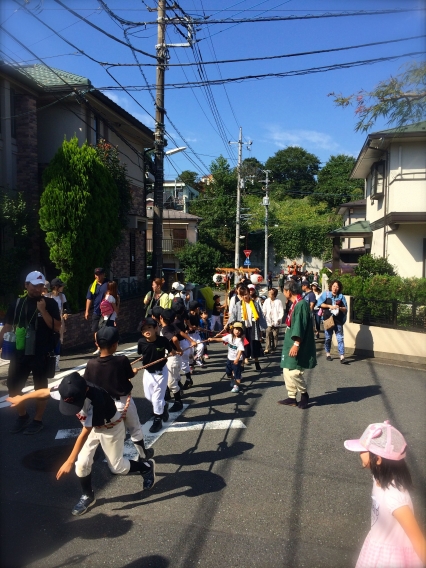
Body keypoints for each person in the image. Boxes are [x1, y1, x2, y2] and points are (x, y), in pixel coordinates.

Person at [7, 372, 156, 516]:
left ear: (85, 390)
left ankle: (146, 467)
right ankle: (88, 496)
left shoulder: (96, 398)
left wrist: (69, 460)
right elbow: (44, 391)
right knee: (82, 464)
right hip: (93, 427)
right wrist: (22, 398)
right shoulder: (67, 388)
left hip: (110, 428)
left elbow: (86, 431)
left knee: (117, 467)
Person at [344, 420, 426, 567]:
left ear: (379, 460)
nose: (360, 453)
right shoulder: (378, 477)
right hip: (377, 544)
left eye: (364, 450)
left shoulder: (394, 496)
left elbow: (418, 541)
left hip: (391, 559)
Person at [0, 271, 61, 434]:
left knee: (40, 387)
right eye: (34, 285)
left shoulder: (50, 303)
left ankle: (37, 420)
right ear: (26, 285)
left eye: (41, 285)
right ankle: (23, 416)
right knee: (13, 385)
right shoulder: (17, 303)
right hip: (19, 352)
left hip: (41, 352)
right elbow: (7, 326)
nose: (38, 289)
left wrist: (43, 311)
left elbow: (56, 327)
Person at [84, 326, 154, 461]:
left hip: (104, 405)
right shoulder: (121, 360)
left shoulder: (91, 364)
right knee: (135, 427)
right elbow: (129, 375)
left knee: (108, 432)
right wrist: (133, 372)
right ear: (116, 344)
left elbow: (88, 383)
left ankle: (113, 459)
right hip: (122, 402)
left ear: (97, 344)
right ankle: (143, 454)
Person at [278, 279, 316, 410]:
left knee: (294, 371)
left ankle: (304, 394)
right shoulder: (295, 303)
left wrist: (296, 344)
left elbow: (300, 326)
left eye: (284, 290)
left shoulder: (301, 305)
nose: (283, 292)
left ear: (288, 291)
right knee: (286, 369)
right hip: (291, 340)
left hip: (297, 341)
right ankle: (291, 397)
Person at [137, 317, 177, 433]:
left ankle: (158, 420)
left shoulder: (163, 340)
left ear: (156, 328)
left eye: (149, 327)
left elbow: (170, 350)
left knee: (156, 399)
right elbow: (141, 353)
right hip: (148, 372)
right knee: (149, 396)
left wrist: (173, 352)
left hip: (160, 372)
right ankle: (164, 406)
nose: (147, 331)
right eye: (144, 330)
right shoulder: (141, 342)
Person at [228, 285, 267, 371]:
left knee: (254, 345)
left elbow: (261, 316)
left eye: (246, 294)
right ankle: (242, 364)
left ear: (249, 294)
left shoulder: (255, 304)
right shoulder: (238, 304)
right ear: (241, 296)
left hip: (253, 327)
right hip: (243, 328)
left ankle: (256, 362)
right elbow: (233, 315)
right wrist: (228, 324)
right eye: (243, 295)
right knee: (243, 345)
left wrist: (262, 328)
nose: (245, 296)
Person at [315, 279, 348, 363]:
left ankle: (342, 356)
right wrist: (330, 306)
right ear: (331, 286)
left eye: (337, 287)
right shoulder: (326, 294)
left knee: (340, 338)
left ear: (339, 288)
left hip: (338, 320)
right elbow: (319, 304)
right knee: (328, 338)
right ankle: (328, 353)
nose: (335, 288)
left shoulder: (341, 297)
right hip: (328, 319)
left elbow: (345, 309)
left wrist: (339, 307)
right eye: (334, 286)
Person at [209, 322, 245, 393]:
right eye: (236, 329)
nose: (237, 331)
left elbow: (240, 350)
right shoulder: (229, 336)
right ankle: (232, 380)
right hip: (229, 358)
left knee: (237, 374)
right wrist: (212, 339)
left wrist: (237, 359)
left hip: (237, 360)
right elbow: (221, 339)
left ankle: (236, 386)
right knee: (228, 372)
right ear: (232, 329)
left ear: (241, 332)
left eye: (239, 330)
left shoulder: (240, 340)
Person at [159, 309, 184, 412]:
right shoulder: (172, 326)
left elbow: (174, 339)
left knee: (171, 382)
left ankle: (178, 402)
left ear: (161, 318)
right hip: (175, 358)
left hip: (172, 358)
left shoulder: (164, 329)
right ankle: (178, 388)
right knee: (175, 376)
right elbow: (180, 333)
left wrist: (177, 349)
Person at [45, 277, 69, 372]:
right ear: (55, 287)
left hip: (59, 320)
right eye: (61, 286)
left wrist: (65, 313)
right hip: (49, 321)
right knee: (48, 341)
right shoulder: (47, 297)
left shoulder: (62, 296)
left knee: (58, 341)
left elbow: (66, 307)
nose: (62, 287)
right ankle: (48, 362)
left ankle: (56, 364)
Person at [85, 267, 109, 355]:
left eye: (100, 274)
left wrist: (116, 309)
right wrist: (87, 311)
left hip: (106, 312)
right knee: (95, 330)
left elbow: (116, 296)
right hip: (96, 311)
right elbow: (89, 298)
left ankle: (106, 346)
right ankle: (99, 347)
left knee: (104, 329)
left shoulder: (108, 284)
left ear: (103, 274)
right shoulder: (93, 285)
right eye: (96, 275)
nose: (98, 276)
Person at [262, 288, 284, 354]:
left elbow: (281, 311)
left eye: (270, 293)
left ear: (274, 295)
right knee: (268, 334)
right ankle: (267, 348)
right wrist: (263, 317)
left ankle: (273, 348)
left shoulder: (278, 301)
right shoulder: (266, 301)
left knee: (275, 335)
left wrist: (279, 319)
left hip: (276, 321)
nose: (269, 295)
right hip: (268, 321)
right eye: (269, 293)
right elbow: (264, 310)